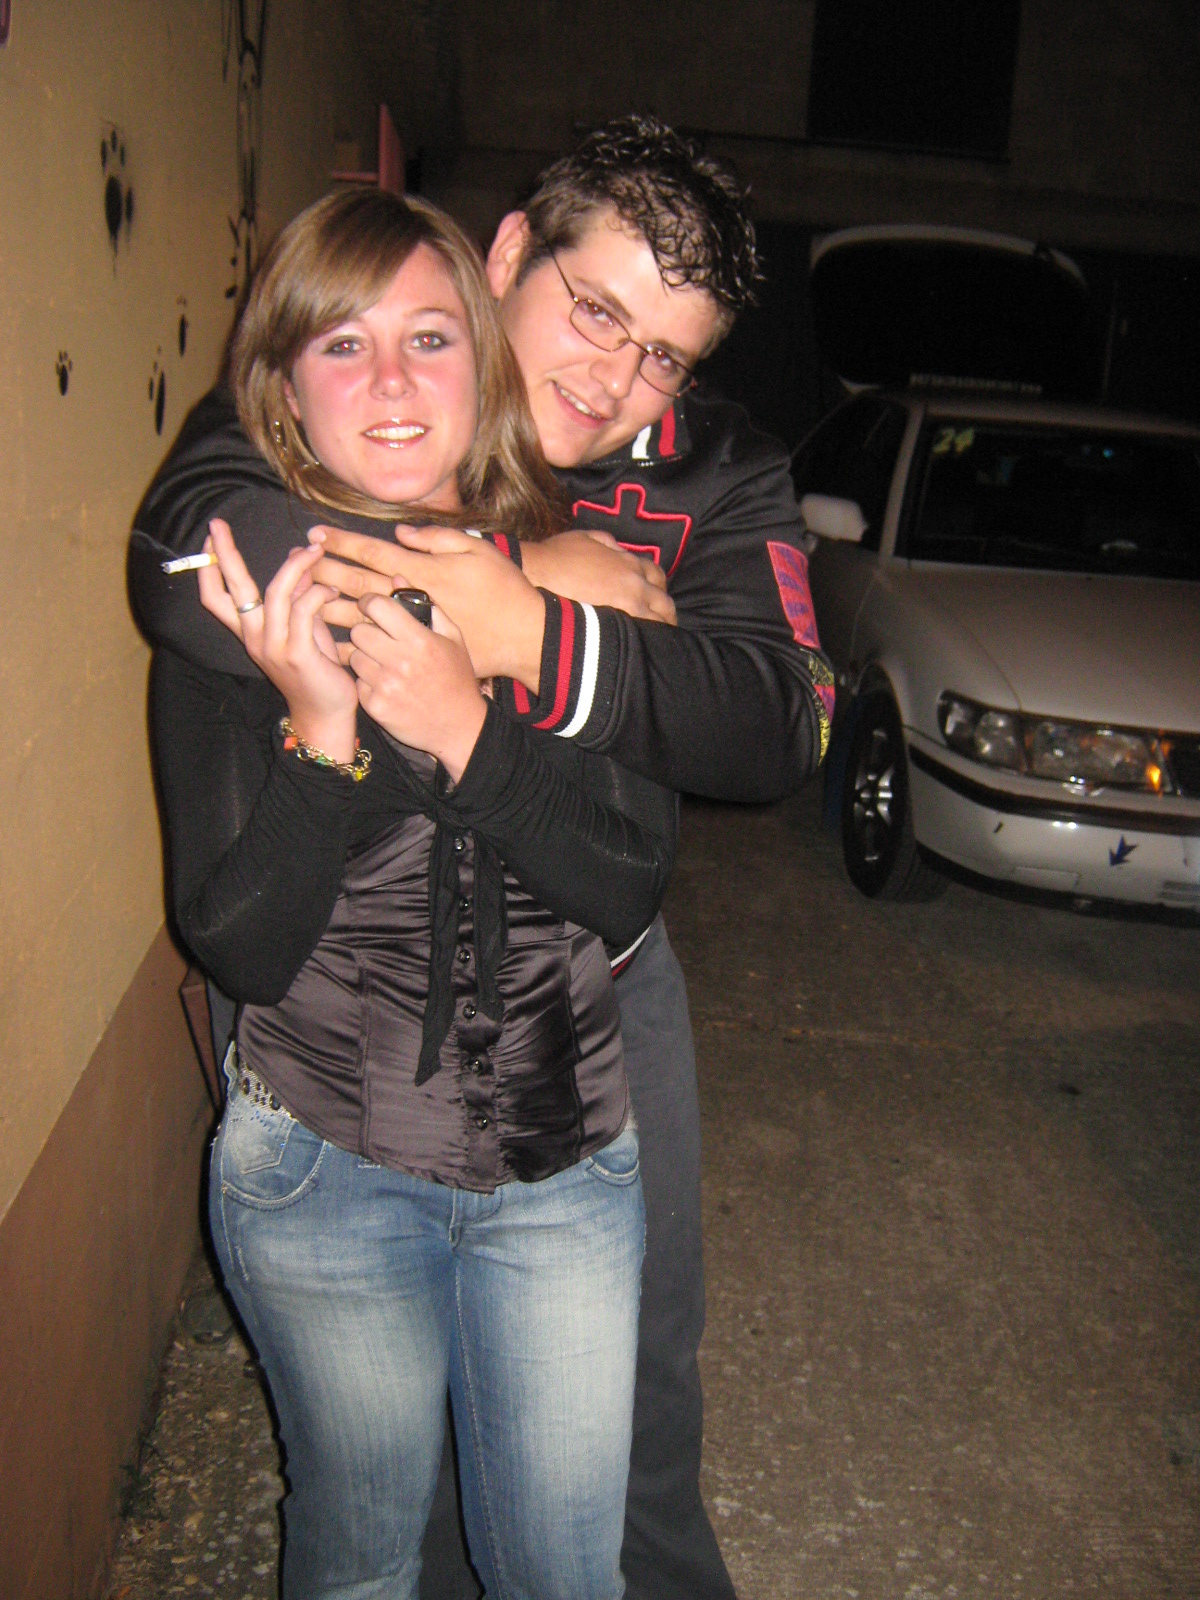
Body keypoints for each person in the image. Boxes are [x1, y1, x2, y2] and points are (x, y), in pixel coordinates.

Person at [130, 116, 834, 1600]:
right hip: (340, 1017)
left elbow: (784, 721)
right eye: (598, 312)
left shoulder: (716, 473)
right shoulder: (364, 371)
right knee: (386, 1467)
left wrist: (543, 645)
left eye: (666, 357)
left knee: (629, 1420)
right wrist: (508, 590)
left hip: (602, 988)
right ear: (512, 251)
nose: (617, 381)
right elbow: (190, 557)